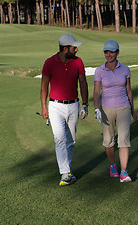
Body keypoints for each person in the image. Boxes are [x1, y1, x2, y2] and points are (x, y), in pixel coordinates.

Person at [40, 34, 89, 186]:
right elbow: (44, 86)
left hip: (73, 105)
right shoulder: (49, 62)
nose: (77, 49)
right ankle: (65, 174)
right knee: (59, 138)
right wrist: (43, 106)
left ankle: (67, 170)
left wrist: (85, 104)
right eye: (74, 47)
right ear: (66, 48)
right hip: (55, 106)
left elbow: (83, 83)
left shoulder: (78, 62)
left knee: (71, 141)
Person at [93, 40, 138, 183]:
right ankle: (113, 166)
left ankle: (124, 172)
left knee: (124, 140)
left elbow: (128, 90)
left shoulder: (125, 69)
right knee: (108, 141)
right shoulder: (99, 70)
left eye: (111, 52)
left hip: (123, 107)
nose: (109, 55)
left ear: (117, 52)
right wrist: (96, 108)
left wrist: (132, 109)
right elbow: (96, 91)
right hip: (106, 109)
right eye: (106, 52)